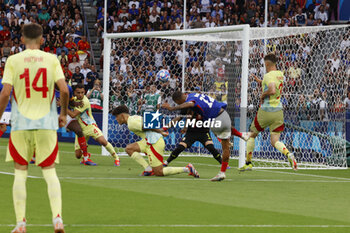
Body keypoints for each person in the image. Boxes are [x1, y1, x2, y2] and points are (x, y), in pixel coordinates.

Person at [0, 23, 68, 233]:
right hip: (46, 124)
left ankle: (21, 224)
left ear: (21, 40)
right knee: (49, 172)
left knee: (20, 173)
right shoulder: (51, 59)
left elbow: (5, 94)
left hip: (20, 125)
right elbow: (64, 90)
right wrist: (63, 113)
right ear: (42, 40)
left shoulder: (13, 60)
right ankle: (57, 219)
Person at [162, 91, 248, 181]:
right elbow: (181, 117)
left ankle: (222, 168)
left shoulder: (191, 103)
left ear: (179, 100)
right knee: (180, 147)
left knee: (213, 147)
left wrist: (172, 108)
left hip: (204, 131)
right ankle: (167, 162)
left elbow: (190, 105)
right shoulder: (193, 100)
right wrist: (170, 127)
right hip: (194, 131)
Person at [239, 53, 297, 172]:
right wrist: (260, 81)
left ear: (266, 64)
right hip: (278, 111)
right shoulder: (280, 74)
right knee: (275, 141)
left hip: (266, 110)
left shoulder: (268, 75)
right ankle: (288, 154)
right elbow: (273, 84)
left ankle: (248, 163)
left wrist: (262, 95)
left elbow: (271, 89)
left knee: (251, 135)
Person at [112, 105, 200, 178]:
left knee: (159, 172)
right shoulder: (134, 117)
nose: (116, 119)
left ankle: (187, 168)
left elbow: (147, 126)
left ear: (122, 116)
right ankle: (148, 169)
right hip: (148, 141)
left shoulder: (131, 124)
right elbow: (149, 122)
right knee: (129, 149)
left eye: (116, 117)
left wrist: (160, 131)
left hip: (155, 143)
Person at [68, 84, 120, 166]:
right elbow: (70, 103)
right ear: (74, 92)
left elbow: (73, 115)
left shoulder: (85, 102)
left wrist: (63, 106)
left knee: (103, 141)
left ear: (84, 92)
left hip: (90, 126)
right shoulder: (74, 100)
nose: (80, 94)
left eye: (82, 92)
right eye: (78, 92)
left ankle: (116, 158)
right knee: (78, 155)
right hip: (80, 130)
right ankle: (86, 156)